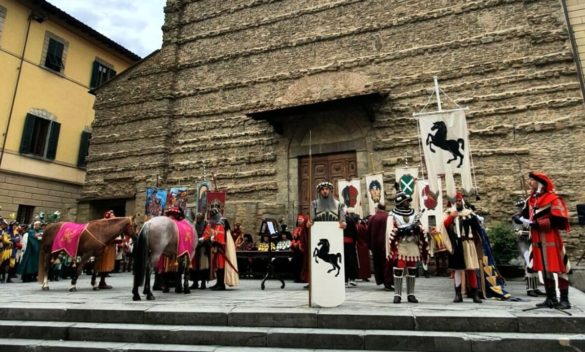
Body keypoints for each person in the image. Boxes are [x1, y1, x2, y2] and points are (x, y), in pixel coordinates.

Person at [518, 172, 572, 309]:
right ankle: (551, 298)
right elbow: (526, 214)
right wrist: (519, 217)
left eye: (532, 180)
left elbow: (559, 219)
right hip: (536, 237)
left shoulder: (553, 198)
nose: (530, 182)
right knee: (544, 268)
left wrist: (539, 223)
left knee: (560, 267)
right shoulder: (532, 199)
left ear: (540, 182)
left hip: (550, 237)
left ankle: (565, 300)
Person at [388, 192, 429, 303]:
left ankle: (411, 294)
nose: (408, 203)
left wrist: (416, 228)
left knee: (412, 268)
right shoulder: (392, 214)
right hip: (401, 243)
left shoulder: (414, 213)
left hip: (412, 243)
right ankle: (397, 294)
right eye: (406, 201)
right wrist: (402, 230)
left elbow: (420, 225)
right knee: (399, 267)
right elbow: (390, 229)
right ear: (401, 202)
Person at [444, 193, 483, 304]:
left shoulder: (469, 214)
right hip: (456, 244)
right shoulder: (449, 213)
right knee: (457, 270)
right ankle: (458, 294)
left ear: (463, 201)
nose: (458, 203)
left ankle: (475, 294)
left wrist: (478, 242)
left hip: (468, 243)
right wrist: (452, 216)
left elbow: (478, 229)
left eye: (459, 201)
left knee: (471, 268)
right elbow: (444, 226)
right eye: (456, 201)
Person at [367, 203, 394, 290]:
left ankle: (381, 280)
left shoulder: (373, 218)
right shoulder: (389, 217)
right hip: (388, 244)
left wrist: (370, 245)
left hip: (376, 245)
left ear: (377, 208)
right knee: (388, 263)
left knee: (378, 264)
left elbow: (368, 232)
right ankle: (388, 282)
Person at [91, 210, 118, 290]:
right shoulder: (104, 225)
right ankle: (100, 281)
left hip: (111, 247)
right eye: (112, 216)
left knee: (107, 264)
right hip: (105, 246)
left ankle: (102, 281)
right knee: (103, 264)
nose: (114, 217)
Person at [203, 208, 227, 290]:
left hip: (220, 248)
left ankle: (221, 284)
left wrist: (213, 239)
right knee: (217, 266)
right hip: (216, 247)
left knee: (220, 266)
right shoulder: (217, 223)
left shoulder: (221, 223)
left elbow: (220, 236)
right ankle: (218, 283)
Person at [191, 213, 210, 289]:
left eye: (199, 219)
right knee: (194, 266)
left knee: (203, 266)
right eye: (197, 218)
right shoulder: (194, 225)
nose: (198, 220)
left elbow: (208, 234)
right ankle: (195, 282)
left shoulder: (206, 225)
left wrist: (203, 240)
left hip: (203, 247)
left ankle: (203, 283)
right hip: (195, 247)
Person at [343, 209, 360, 288]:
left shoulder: (338, 220)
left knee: (343, 261)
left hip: (341, 244)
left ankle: (345, 280)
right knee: (352, 261)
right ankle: (352, 279)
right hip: (350, 244)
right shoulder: (351, 220)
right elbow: (355, 233)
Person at [291, 214, 309, 283]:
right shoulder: (296, 229)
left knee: (301, 264)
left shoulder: (304, 229)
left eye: (300, 220)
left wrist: (298, 243)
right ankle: (296, 277)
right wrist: (293, 243)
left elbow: (303, 239)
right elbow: (293, 238)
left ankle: (302, 278)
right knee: (295, 263)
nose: (299, 221)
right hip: (296, 250)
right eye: (298, 220)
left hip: (301, 250)